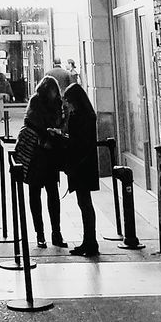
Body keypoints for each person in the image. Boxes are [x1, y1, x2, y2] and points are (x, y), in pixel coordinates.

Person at [21, 75, 67, 249]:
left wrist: (58, 130)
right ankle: (39, 234)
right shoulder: (36, 101)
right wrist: (45, 133)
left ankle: (56, 232)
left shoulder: (57, 104)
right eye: (53, 90)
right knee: (35, 194)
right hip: (36, 153)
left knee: (53, 194)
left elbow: (62, 122)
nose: (55, 94)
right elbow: (29, 122)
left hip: (50, 154)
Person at [63, 82, 100, 256]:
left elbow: (78, 142)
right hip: (86, 163)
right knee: (84, 203)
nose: (67, 104)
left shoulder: (80, 116)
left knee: (85, 204)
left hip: (81, 164)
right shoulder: (87, 115)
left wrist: (62, 137)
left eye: (69, 101)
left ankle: (91, 242)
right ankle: (88, 241)